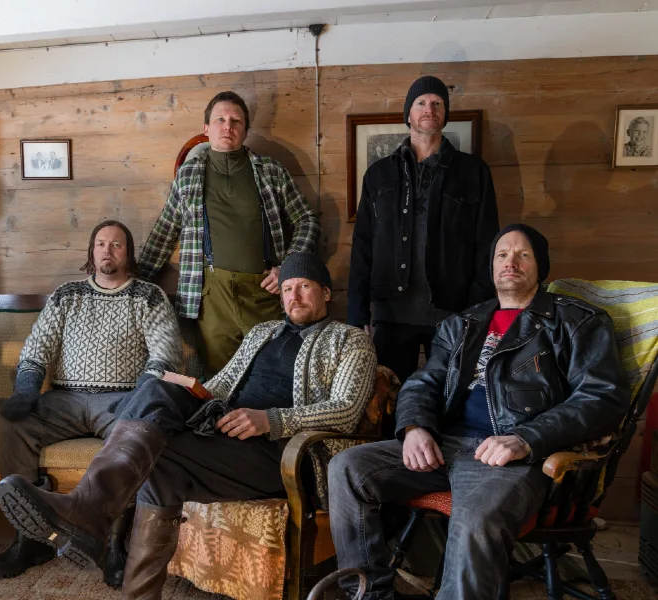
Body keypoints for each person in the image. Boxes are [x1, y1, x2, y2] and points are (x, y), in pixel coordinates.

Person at [0, 251, 377, 599]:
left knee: (157, 452)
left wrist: (271, 420)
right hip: (226, 435)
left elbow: (346, 410)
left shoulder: (349, 341)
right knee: (156, 392)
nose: (294, 296)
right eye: (288, 288)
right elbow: (220, 386)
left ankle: (90, 513)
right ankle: (111, 547)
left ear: (326, 293)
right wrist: (184, 389)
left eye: (304, 287)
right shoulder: (264, 333)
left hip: (282, 452)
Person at [329, 223, 630, 600]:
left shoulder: (576, 321)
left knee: (475, 518)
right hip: (444, 445)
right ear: (491, 266)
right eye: (502, 255)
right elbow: (425, 382)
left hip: (508, 457)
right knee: (347, 468)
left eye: (523, 254)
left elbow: (602, 396)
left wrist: (525, 438)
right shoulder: (462, 324)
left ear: (540, 266)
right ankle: (369, 594)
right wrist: (415, 427)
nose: (511, 262)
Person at [0, 220, 182, 586]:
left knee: (141, 437)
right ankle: (31, 538)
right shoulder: (67, 294)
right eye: (101, 243)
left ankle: (113, 544)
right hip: (65, 398)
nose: (108, 250)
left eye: (117, 244)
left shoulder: (149, 296)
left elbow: (165, 356)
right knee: (9, 425)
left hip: (122, 400)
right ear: (91, 251)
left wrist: (138, 398)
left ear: (128, 253)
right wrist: (26, 389)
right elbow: (38, 347)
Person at [138, 90, 321, 377]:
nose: (228, 126)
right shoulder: (188, 174)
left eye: (236, 121)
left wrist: (288, 268)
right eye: (220, 120)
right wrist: (137, 284)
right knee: (218, 381)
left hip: (264, 293)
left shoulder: (271, 171)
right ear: (206, 128)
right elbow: (164, 233)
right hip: (210, 298)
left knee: (271, 375)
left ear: (245, 131)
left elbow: (307, 220)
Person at [348, 75, 500, 386]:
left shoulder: (473, 173)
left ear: (445, 113)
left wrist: (476, 308)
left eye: (437, 103)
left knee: (449, 399)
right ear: (408, 113)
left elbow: (487, 243)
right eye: (421, 103)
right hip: (391, 312)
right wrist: (357, 314)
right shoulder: (378, 174)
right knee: (390, 400)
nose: (429, 109)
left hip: (452, 314)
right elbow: (363, 245)